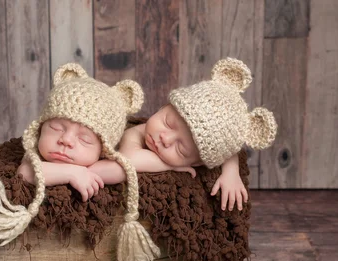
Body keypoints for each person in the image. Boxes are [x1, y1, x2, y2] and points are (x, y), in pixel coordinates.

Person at [0, 62, 160, 261]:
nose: (66, 140)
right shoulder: (36, 157)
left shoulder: (105, 161)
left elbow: (124, 167)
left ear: (104, 151)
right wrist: (72, 172)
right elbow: (27, 172)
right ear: (40, 128)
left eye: (84, 139)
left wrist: (166, 163)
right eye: (56, 128)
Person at [89, 57, 277, 212]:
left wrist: (231, 173)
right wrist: (168, 164)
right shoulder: (136, 132)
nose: (165, 138)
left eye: (181, 149)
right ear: (165, 106)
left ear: (196, 163)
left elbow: (228, 149)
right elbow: (128, 158)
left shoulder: (205, 150)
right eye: (168, 122)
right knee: (118, 169)